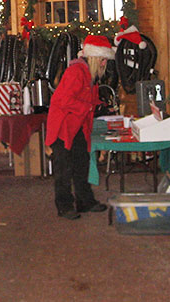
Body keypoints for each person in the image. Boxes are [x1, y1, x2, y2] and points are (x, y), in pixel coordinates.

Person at [45, 35, 115, 220]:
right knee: (64, 169)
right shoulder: (76, 72)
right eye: (103, 59)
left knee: (81, 164)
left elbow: (87, 100)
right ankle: (64, 206)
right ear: (94, 57)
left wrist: (101, 105)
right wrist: (90, 107)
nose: (104, 63)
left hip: (77, 127)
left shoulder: (90, 76)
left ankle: (85, 201)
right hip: (63, 127)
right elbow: (63, 100)